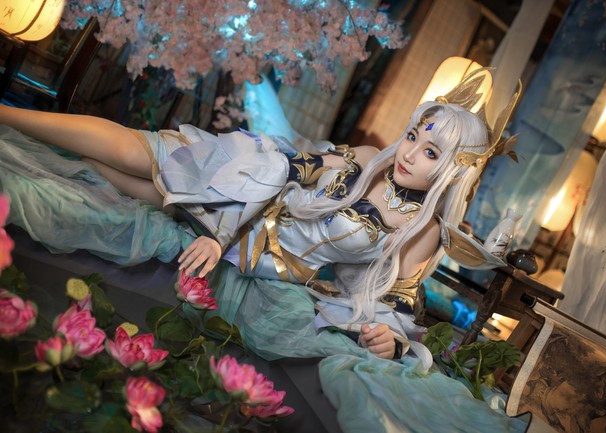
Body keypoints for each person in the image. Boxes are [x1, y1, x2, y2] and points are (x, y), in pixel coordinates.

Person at [0, 74, 500, 361]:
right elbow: (286, 170)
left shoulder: (422, 231)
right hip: (246, 193)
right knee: (141, 153)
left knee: (108, 176)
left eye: (430, 152)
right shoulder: (370, 159)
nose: (409, 153)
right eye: (413, 136)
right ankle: (7, 114)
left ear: (453, 171)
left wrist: (391, 341)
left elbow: (391, 304)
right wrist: (221, 236)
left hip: (266, 265)